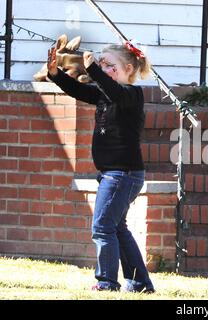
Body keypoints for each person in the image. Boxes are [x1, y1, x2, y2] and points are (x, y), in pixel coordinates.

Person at [47, 43, 155, 293]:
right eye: (102, 63)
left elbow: (113, 92)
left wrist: (93, 68)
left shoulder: (131, 95)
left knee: (103, 226)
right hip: (114, 174)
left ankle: (107, 282)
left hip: (122, 174)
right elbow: (79, 90)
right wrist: (55, 73)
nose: (103, 68)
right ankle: (140, 283)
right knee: (116, 227)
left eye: (109, 65)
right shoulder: (104, 94)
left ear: (128, 69)